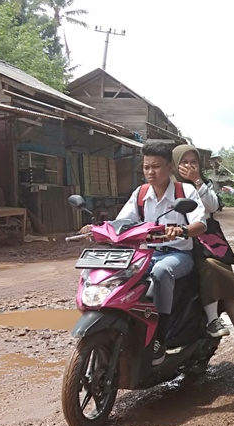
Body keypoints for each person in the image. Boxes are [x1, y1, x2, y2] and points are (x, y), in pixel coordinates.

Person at [85, 141, 208, 363]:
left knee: (161, 272)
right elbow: (121, 222)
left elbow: (200, 225)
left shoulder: (185, 191)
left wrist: (180, 230)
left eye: (156, 167)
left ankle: (159, 338)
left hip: (177, 255)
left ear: (169, 167)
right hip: (145, 255)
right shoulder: (141, 194)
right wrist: (96, 229)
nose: (150, 172)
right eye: (146, 167)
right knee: (116, 273)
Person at [172, 144, 234, 349]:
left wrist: (198, 181)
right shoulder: (166, 186)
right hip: (174, 242)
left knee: (221, 271)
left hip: (204, 240)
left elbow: (213, 206)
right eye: (184, 162)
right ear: (174, 164)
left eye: (194, 162)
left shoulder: (203, 184)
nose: (189, 166)